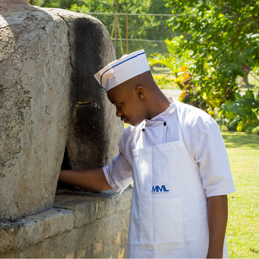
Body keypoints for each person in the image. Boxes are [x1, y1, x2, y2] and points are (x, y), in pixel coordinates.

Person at [59, 49, 236, 258]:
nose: (117, 113)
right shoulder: (131, 137)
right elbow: (111, 178)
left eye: (119, 104)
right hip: (145, 250)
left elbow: (217, 192)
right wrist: (56, 176)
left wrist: (214, 254)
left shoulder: (197, 125)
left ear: (140, 92)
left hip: (192, 249)